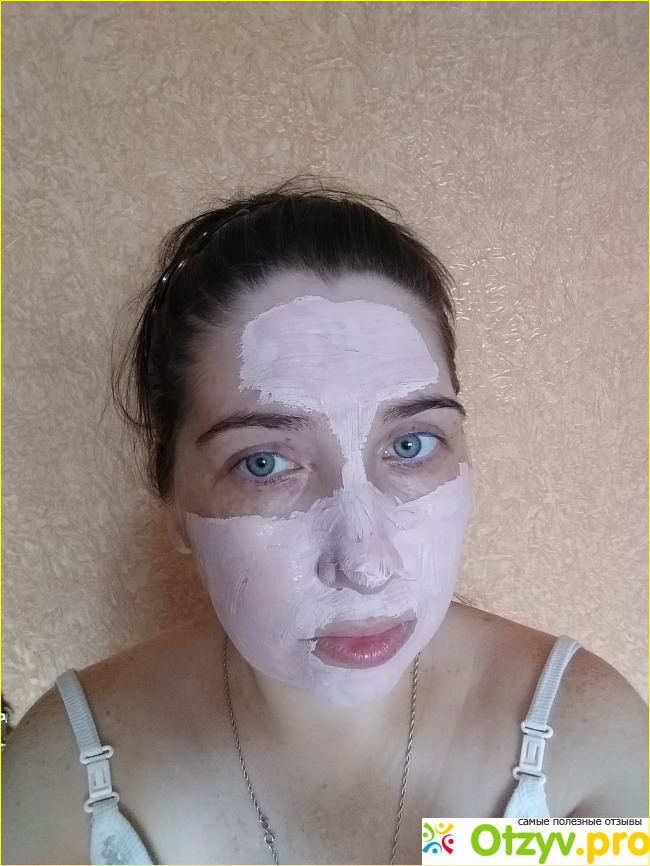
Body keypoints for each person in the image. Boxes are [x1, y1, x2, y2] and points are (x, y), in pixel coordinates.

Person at [3, 179, 647, 866]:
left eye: (410, 444)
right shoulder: (67, 779)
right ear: (174, 505)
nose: (365, 564)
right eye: (264, 463)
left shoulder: (578, 755)